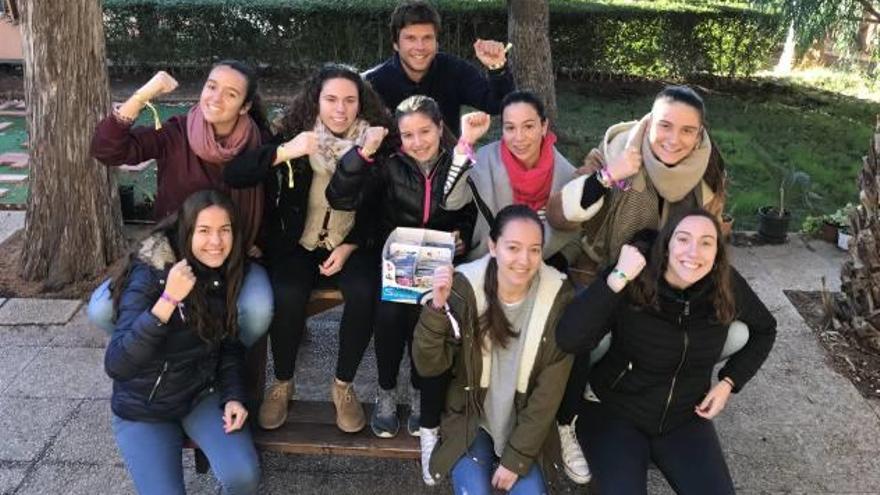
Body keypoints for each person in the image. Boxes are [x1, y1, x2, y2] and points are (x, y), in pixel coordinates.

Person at [555, 209, 777, 494]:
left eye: (706, 242)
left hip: (683, 416)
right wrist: (617, 277)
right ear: (666, 244)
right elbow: (570, 339)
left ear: (717, 253)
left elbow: (765, 330)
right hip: (615, 410)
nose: (694, 252)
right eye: (683, 239)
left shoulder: (725, 283)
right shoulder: (635, 275)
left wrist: (728, 383)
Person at [224, 63, 392, 434]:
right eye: (331, 99)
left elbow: (381, 208)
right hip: (296, 242)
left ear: (361, 104)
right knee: (286, 293)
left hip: (351, 243)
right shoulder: (295, 135)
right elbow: (236, 172)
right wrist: (285, 151)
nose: (340, 109)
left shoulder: (375, 142)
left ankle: (342, 386)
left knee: (365, 293)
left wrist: (351, 245)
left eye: (350, 100)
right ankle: (282, 382)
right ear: (316, 101)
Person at [326, 94, 479, 482]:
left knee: (429, 317)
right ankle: (387, 389)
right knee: (391, 312)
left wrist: (460, 239)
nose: (417, 141)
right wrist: (363, 154)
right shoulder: (389, 167)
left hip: (440, 266)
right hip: (397, 264)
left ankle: (417, 388)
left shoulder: (457, 163)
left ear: (440, 128)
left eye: (424, 131)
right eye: (407, 134)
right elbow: (346, 199)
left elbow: (467, 212)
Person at [89, 60, 273, 348]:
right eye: (211, 87)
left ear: (245, 106)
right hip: (173, 255)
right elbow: (107, 150)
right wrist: (142, 95)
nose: (215, 97)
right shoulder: (178, 132)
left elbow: (271, 200)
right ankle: (163, 363)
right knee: (100, 309)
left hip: (233, 258)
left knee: (258, 312)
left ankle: (227, 363)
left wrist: (258, 239)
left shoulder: (258, 143)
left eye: (231, 94)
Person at [105, 189, 260, 495]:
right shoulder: (150, 274)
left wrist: (233, 396)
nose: (216, 242)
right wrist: (168, 299)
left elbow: (228, 343)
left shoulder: (226, 271)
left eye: (224, 231)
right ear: (186, 231)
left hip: (198, 395)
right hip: (144, 408)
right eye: (204, 231)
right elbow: (118, 363)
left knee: (244, 476)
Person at [413, 204, 575, 493]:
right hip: (471, 419)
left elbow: (547, 396)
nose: (524, 260)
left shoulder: (557, 299)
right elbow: (429, 365)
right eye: (513, 247)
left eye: (534, 250)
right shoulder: (465, 287)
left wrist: (515, 459)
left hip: (524, 424)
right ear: (492, 246)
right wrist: (437, 309)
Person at [546, 85, 726, 284]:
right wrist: (608, 175)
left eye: (687, 130)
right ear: (649, 124)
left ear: (698, 134)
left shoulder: (708, 172)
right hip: (600, 277)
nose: (674, 140)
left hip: (670, 285)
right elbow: (558, 217)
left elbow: (711, 245)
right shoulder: (613, 152)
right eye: (665, 126)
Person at [363, 0, 514, 135]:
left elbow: (499, 104)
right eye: (411, 38)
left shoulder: (454, 70)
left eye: (427, 38)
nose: (420, 47)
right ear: (396, 44)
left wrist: (497, 67)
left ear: (437, 42)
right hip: (391, 164)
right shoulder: (372, 83)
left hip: (447, 162)